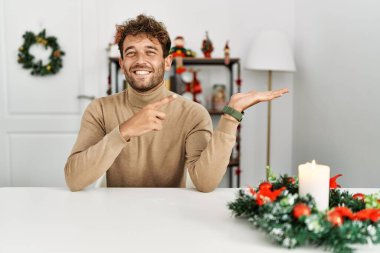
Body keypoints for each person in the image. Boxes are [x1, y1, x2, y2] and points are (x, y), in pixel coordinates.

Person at [64, 14, 288, 192]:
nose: (140, 60)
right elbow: (74, 179)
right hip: (115, 216)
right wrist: (124, 131)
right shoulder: (100, 109)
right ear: (122, 64)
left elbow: (205, 182)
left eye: (150, 52)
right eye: (131, 53)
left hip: (172, 216)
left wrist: (231, 116)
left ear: (167, 61)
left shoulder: (193, 113)